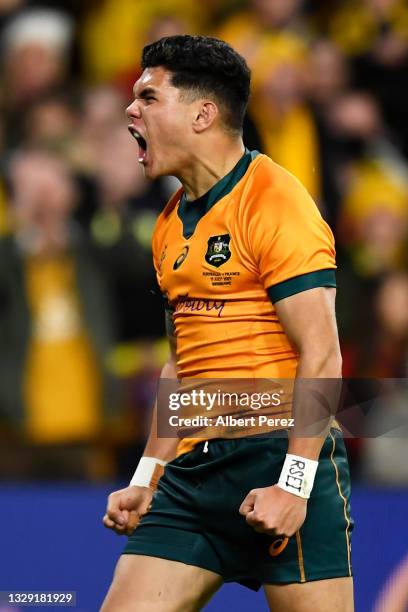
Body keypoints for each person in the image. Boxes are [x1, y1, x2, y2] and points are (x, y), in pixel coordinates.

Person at [102, 35, 353, 611]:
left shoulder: (276, 200)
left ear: (202, 113)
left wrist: (293, 487)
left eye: (148, 96)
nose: (130, 109)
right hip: (193, 474)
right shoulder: (168, 224)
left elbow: (323, 355)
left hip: (283, 458)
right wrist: (149, 473)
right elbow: (181, 363)